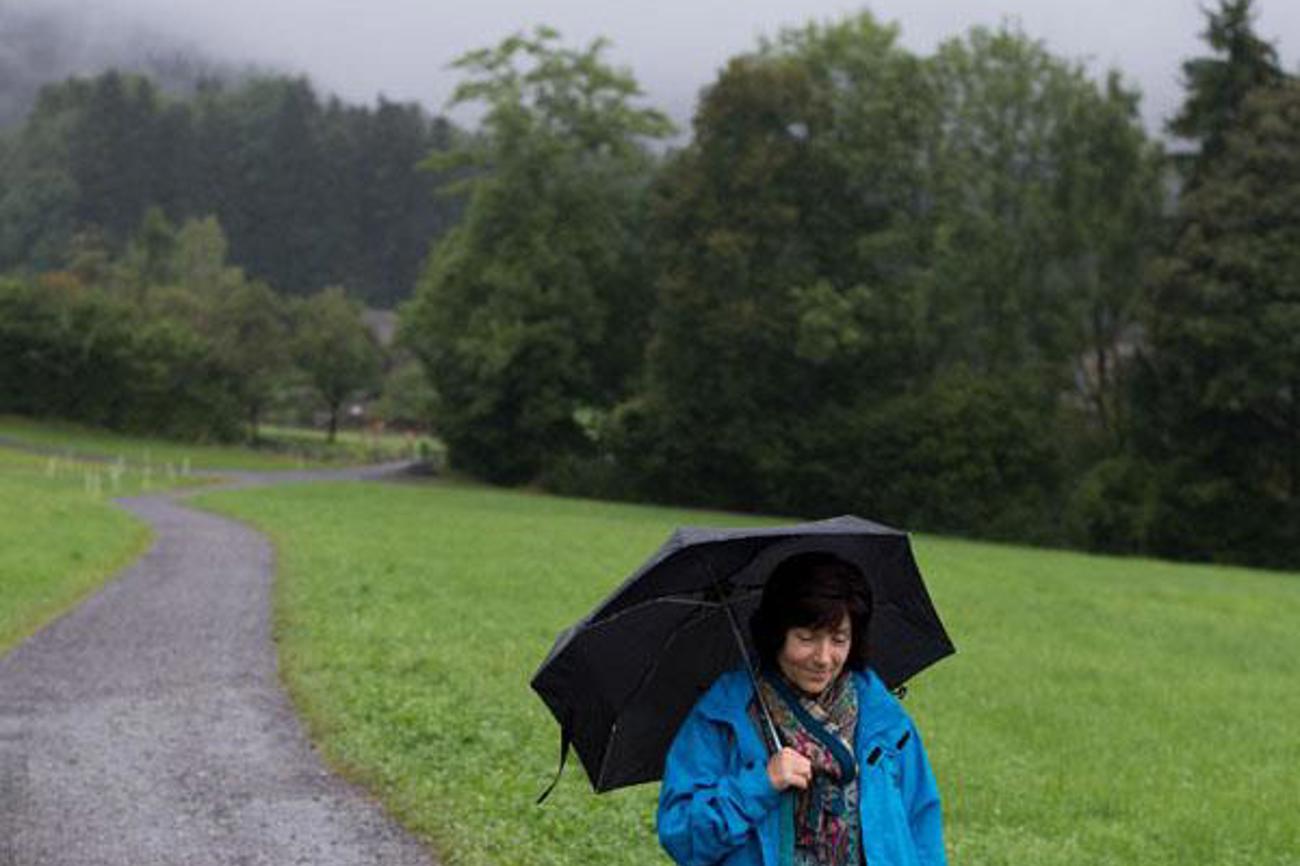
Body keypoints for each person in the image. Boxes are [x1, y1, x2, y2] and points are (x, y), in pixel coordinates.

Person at [656, 551, 946, 866]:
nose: (823, 658)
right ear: (776, 633)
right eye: (806, 638)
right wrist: (759, 785)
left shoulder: (882, 717)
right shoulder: (723, 715)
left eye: (839, 640)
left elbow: (922, 825)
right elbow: (682, 837)